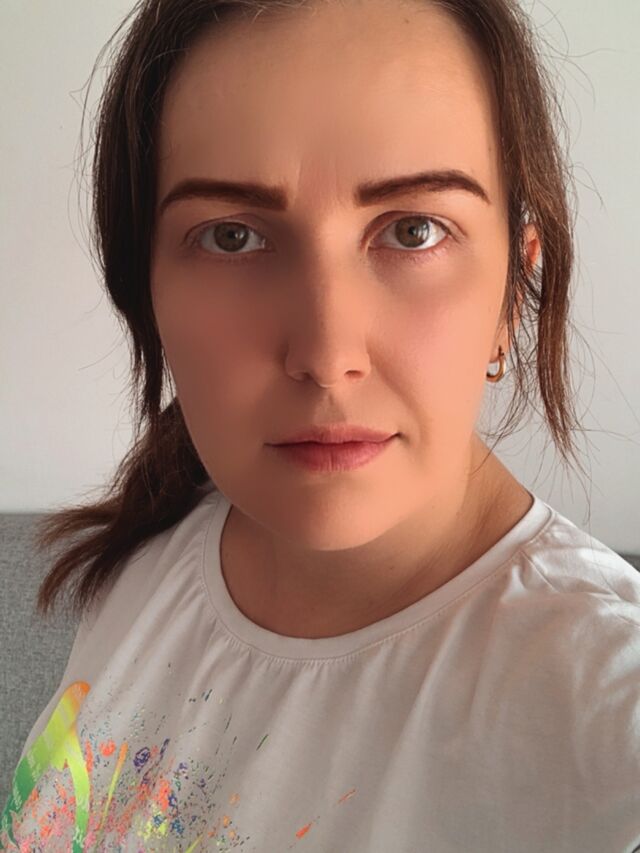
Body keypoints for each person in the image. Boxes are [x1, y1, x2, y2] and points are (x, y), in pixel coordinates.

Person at [2, 0, 639, 850]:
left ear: (511, 296)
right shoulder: (146, 550)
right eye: (233, 237)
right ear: (144, 286)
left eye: (413, 230)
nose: (327, 355)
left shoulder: (601, 711)